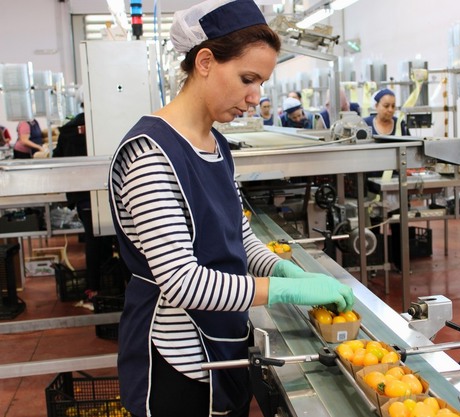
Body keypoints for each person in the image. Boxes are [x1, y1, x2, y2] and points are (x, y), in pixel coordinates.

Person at [107, 1, 354, 416]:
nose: (255, 98)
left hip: (226, 340)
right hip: (178, 363)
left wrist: (282, 269)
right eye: (247, 79)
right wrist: (284, 291)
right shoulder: (151, 155)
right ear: (205, 62)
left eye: (261, 83)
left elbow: (239, 235)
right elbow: (182, 282)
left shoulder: (216, 144)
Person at [53, 108, 114, 296]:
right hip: (105, 193)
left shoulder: (67, 131)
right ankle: (114, 284)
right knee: (112, 239)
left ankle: (94, 288)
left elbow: (57, 160)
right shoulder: (103, 127)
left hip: (82, 196)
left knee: (92, 241)